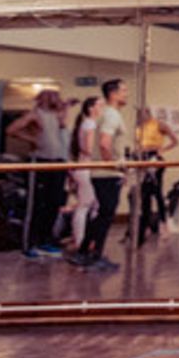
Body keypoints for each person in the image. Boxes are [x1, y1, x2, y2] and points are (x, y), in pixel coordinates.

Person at [6, 89, 71, 258]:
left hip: (57, 163)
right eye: (51, 97)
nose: (55, 99)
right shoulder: (35, 115)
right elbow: (11, 129)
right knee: (37, 204)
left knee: (54, 203)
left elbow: (63, 133)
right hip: (40, 161)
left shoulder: (57, 115)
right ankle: (29, 244)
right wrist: (31, 139)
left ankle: (46, 241)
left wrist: (65, 110)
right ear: (42, 99)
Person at [72, 78, 127, 272]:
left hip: (102, 172)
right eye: (123, 91)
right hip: (106, 173)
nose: (126, 94)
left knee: (103, 213)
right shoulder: (111, 115)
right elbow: (104, 143)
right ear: (113, 94)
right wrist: (115, 166)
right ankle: (93, 255)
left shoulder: (106, 114)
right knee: (106, 214)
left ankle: (85, 251)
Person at [135, 107, 179, 245]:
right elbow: (138, 144)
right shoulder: (138, 127)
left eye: (144, 113)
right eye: (139, 114)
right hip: (143, 160)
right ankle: (146, 225)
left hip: (155, 159)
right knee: (144, 193)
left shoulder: (158, 124)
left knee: (157, 192)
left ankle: (164, 224)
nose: (142, 116)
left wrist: (162, 150)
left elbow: (175, 140)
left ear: (148, 113)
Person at [68, 97, 100, 254]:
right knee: (87, 206)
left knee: (88, 205)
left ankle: (85, 238)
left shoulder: (84, 123)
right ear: (91, 108)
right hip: (87, 168)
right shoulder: (91, 124)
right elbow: (88, 148)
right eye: (100, 105)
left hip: (82, 167)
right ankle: (82, 240)